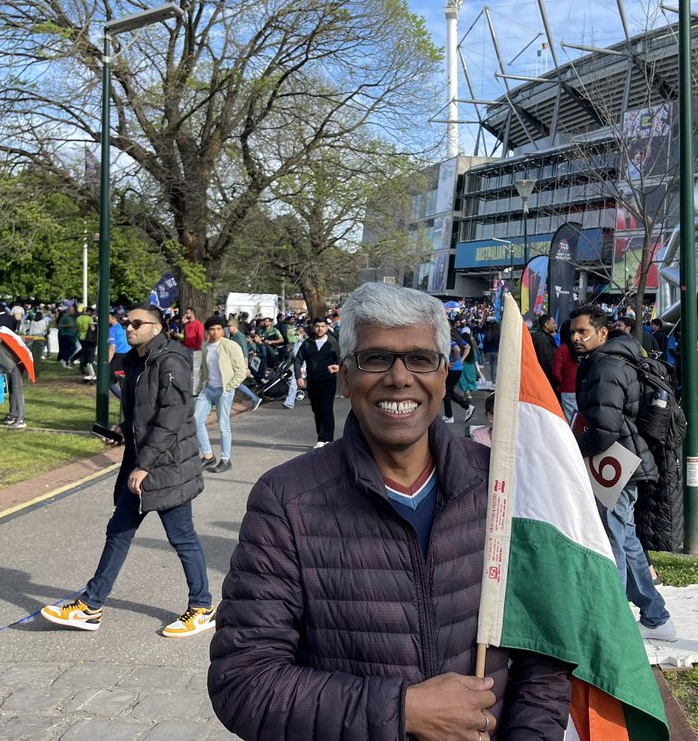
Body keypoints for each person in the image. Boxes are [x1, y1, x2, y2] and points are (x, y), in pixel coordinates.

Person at [208, 283, 572, 738]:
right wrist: (402, 710)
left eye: (420, 359)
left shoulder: (504, 488)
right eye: (376, 358)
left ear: (444, 375)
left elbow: (545, 656)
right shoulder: (286, 500)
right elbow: (244, 682)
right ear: (345, 377)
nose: (399, 377)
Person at [40, 305, 213, 637]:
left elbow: (172, 417)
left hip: (167, 466)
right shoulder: (134, 361)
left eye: (137, 323)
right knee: (118, 532)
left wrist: (145, 465)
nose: (129, 327)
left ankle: (202, 607)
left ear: (157, 328)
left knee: (182, 537)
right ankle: (90, 606)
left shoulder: (171, 360)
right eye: (126, 322)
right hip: (141, 461)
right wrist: (122, 429)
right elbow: (142, 412)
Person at [570, 304, 676, 642]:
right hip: (622, 463)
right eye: (573, 332)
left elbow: (605, 428)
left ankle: (614, 624)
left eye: (582, 332)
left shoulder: (605, 367)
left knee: (615, 540)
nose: (575, 338)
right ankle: (656, 616)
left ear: (602, 334)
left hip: (618, 465)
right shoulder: (610, 361)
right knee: (625, 537)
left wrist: (573, 448)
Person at [195, 316, 247, 473]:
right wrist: (199, 388)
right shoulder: (205, 346)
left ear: (223, 330)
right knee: (196, 419)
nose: (215, 332)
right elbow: (203, 370)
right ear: (208, 331)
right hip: (208, 389)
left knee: (223, 424)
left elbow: (241, 371)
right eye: (212, 329)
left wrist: (230, 386)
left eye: (218, 329)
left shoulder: (231, 346)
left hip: (224, 390)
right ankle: (208, 455)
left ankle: (226, 459)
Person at [294, 315, 341, 448]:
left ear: (326, 328)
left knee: (327, 408)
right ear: (313, 328)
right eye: (317, 326)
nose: (319, 329)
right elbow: (298, 360)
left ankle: (329, 440)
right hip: (313, 381)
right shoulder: (307, 343)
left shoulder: (332, 342)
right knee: (317, 409)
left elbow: (341, 359)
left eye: (322, 326)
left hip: (328, 381)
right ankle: (320, 439)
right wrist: (299, 377)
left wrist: (339, 368)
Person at [224, 318, 262, 409]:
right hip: (233, 364)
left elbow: (244, 352)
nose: (228, 328)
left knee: (235, 383)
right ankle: (254, 398)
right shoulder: (232, 336)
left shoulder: (240, 336)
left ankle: (254, 398)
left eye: (229, 326)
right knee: (235, 383)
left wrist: (246, 367)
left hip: (239, 364)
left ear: (235, 326)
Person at [552, 318, 579, 425]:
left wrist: (560, 382)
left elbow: (556, 372)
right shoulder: (580, 348)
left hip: (567, 388)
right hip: (580, 387)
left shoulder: (562, 349)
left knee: (571, 418)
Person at [530, 313, 558, 391]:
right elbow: (546, 361)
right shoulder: (543, 340)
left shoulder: (542, 338)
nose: (555, 325)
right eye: (553, 323)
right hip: (545, 380)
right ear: (546, 324)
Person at [107, 310, 131, 399]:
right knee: (122, 381)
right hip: (127, 355)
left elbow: (112, 347)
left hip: (119, 357)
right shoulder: (121, 327)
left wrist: (107, 363)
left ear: (113, 318)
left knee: (108, 381)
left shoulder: (112, 330)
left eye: (108, 317)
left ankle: (124, 401)